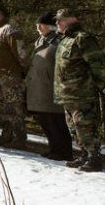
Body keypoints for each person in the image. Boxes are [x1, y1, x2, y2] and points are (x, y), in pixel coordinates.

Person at [54, 8, 105, 172]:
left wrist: (100, 86)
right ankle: (83, 154)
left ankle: (94, 157)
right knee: (73, 127)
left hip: (82, 93)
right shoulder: (64, 41)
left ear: (72, 20)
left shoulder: (83, 39)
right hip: (67, 93)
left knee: (85, 125)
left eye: (61, 20)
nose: (57, 23)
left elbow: (98, 64)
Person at [26, 12, 73, 161]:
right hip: (39, 88)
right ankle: (54, 148)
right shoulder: (40, 41)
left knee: (56, 122)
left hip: (51, 88)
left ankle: (64, 151)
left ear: (50, 26)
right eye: (37, 26)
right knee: (46, 121)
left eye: (42, 25)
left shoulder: (57, 41)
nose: (38, 28)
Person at [0, 8, 31, 147]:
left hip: (10, 76)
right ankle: (7, 134)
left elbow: (21, 52)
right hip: (0, 77)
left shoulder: (10, 30)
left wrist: (23, 69)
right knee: (5, 108)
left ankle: (19, 137)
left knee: (15, 107)